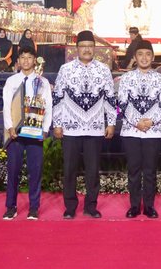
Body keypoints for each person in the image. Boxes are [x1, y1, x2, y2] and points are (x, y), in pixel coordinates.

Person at [52, 30, 116, 219]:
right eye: (83, 46)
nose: (87, 49)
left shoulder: (103, 69)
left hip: (95, 128)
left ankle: (91, 206)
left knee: (92, 169)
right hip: (71, 127)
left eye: (90, 46)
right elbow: (58, 98)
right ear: (77, 49)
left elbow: (110, 98)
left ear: (94, 48)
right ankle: (70, 207)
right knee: (70, 169)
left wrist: (111, 122)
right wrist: (57, 123)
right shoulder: (66, 69)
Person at [117, 40, 161, 218]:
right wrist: (136, 122)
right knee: (133, 170)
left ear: (153, 57)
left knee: (150, 170)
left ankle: (148, 206)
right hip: (131, 131)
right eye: (140, 54)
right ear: (134, 57)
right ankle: (134, 206)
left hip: (153, 131)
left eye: (148, 54)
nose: (144, 58)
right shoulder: (126, 78)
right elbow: (122, 103)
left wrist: (150, 122)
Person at [2, 46, 52, 221]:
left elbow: (48, 107)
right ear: (18, 60)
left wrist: (45, 129)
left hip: (35, 133)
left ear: (35, 60)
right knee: (13, 171)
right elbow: (6, 106)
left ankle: (34, 208)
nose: (25, 61)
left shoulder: (42, 82)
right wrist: (10, 127)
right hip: (15, 133)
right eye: (22, 57)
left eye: (29, 57)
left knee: (35, 172)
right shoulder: (12, 81)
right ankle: (10, 207)